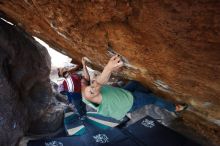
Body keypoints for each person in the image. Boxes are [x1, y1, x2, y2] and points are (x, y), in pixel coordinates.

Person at [81, 55, 187, 120]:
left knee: (135, 83)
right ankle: (174, 108)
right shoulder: (88, 95)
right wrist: (109, 68)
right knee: (152, 99)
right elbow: (99, 82)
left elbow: (85, 79)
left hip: (120, 94)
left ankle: (147, 94)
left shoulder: (83, 88)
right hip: (127, 103)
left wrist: (83, 65)